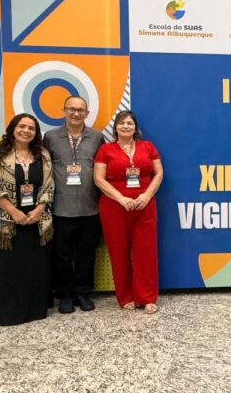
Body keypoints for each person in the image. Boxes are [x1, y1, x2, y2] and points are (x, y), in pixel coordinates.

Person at [0, 113, 54, 326]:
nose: (26, 131)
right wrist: (13, 211)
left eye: (31, 128)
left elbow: (49, 184)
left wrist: (39, 209)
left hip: (35, 221)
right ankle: (5, 312)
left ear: (36, 133)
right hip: (5, 219)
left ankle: (34, 310)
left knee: (32, 267)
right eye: (22, 126)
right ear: (12, 129)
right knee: (4, 267)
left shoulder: (42, 155)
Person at [94, 111, 163, 314]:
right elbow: (99, 179)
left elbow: (158, 172)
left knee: (146, 251)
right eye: (122, 123)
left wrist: (147, 195)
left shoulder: (147, 147)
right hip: (114, 207)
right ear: (115, 128)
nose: (125, 126)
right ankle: (125, 297)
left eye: (129, 123)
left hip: (144, 206)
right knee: (118, 251)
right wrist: (121, 198)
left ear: (135, 128)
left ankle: (147, 298)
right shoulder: (105, 150)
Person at [43, 96, 105, 314]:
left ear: (86, 113)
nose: (76, 113)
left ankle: (82, 292)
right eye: (71, 109)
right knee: (62, 255)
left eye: (80, 110)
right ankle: (65, 294)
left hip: (90, 206)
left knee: (87, 253)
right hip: (62, 207)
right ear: (64, 111)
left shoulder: (97, 137)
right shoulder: (50, 137)